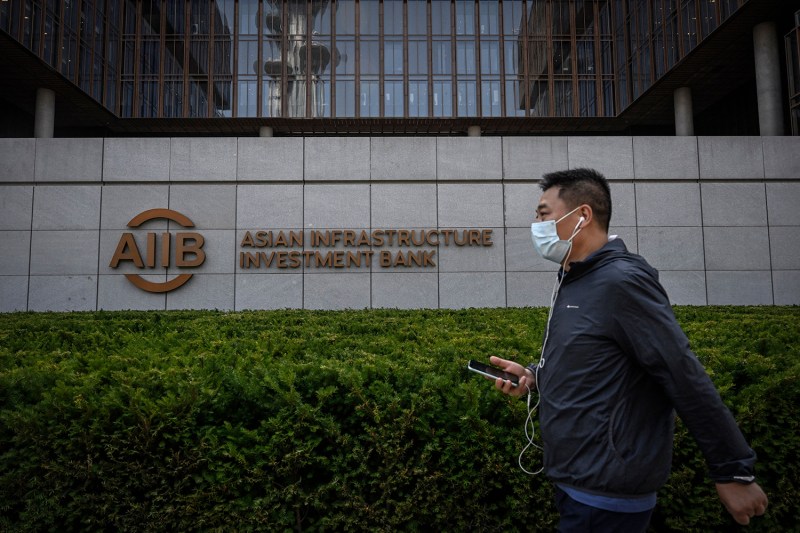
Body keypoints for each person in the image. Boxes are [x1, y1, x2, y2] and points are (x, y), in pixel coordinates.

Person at [490, 168, 768, 532]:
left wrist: (733, 470)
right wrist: (533, 376)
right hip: (576, 481)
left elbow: (681, 373)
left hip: (607, 492)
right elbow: (593, 360)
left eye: (543, 214)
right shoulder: (577, 280)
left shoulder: (621, 282)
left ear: (583, 216)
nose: (536, 224)